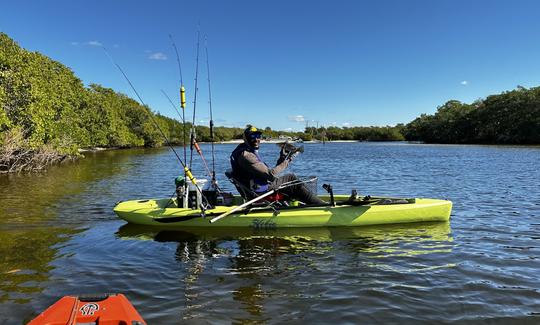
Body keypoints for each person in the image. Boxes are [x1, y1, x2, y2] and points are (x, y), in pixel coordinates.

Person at [230, 125, 325, 205]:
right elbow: (271, 175)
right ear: (245, 138)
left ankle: (308, 200)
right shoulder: (247, 156)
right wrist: (288, 160)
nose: (256, 139)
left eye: (258, 135)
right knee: (291, 179)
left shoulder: (246, 151)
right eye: (252, 136)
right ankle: (320, 205)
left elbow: (269, 173)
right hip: (260, 192)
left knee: (292, 182)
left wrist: (282, 158)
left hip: (259, 186)